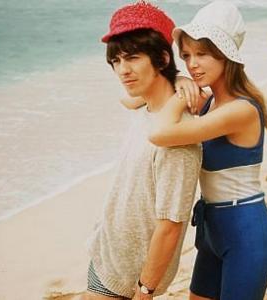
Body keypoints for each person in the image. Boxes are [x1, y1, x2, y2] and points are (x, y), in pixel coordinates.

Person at [149, 1, 267, 300]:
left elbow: (160, 133)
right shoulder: (210, 102)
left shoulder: (240, 110)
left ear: (225, 56)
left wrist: (181, 97)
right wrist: (180, 80)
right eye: (186, 56)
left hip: (246, 234)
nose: (192, 64)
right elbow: (133, 100)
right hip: (211, 230)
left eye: (202, 54)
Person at [81, 2, 201, 299]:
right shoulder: (146, 108)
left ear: (161, 57)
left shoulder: (176, 139)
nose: (123, 70)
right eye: (116, 61)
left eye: (132, 58)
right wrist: (177, 78)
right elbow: (129, 99)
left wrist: (145, 289)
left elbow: (171, 224)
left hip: (129, 274)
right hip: (106, 252)